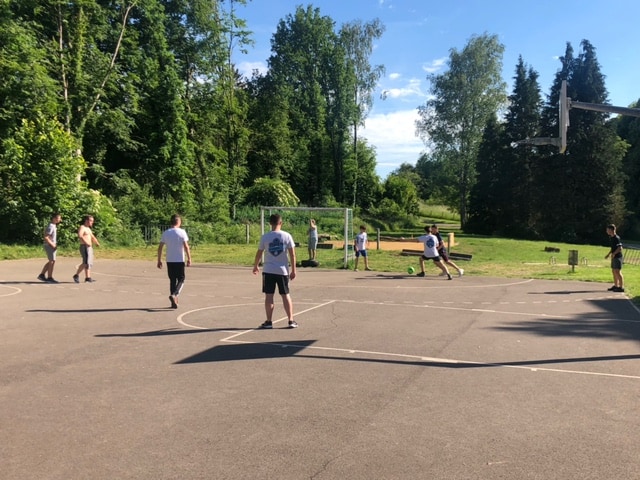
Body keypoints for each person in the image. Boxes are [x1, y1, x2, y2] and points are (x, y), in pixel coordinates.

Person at [253, 214, 298, 328]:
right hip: (282, 271)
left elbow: (259, 253)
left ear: (270, 223)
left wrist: (256, 265)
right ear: (281, 223)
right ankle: (291, 320)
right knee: (285, 295)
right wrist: (293, 270)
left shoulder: (265, 237)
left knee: (269, 296)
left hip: (268, 270)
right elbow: (292, 255)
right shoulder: (287, 236)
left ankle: (269, 321)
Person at [157, 214, 192, 308]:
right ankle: (175, 294)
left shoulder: (166, 233)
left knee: (172, 280)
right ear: (178, 222)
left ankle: (174, 302)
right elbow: (186, 246)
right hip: (179, 260)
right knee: (181, 279)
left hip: (169, 260)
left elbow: (160, 247)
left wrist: (159, 260)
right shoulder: (182, 232)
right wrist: (189, 258)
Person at [73, 215, 100, 283]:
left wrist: (96, 242)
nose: (92, 222)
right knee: (85, 263)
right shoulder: (82, 227)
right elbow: (80, 235)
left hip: (89, 247)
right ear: (87, 221)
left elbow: (92, 236)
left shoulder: (88, 229)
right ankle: (76, 275)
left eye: (92, 221)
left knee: (89, 263)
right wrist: (86, 242)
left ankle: (88, 277)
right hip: (84, 246)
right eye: (91, 221)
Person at [37, 213, 61, 283]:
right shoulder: (51, 226)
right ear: (54, 218)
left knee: (52, 260)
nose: (60, 219)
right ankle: (49, 277)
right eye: (59, 218)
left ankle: (42, 275)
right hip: (49, 245)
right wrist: (52, 244)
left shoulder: (54, 226)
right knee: (52, 261)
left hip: (51, 245)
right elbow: (46, 237)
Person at [605, 224, 624, 293]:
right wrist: (608, 254)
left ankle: (621, 287)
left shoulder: (616, 238)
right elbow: (613, 248)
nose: (607, 231)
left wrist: (614, 254)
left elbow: (620, 248)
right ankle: (616, 285)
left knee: (617, 271)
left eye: (608, 230)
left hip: (618, 257)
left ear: (611, 230)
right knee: (613, 271)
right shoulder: (611, 238)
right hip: (614, 257)